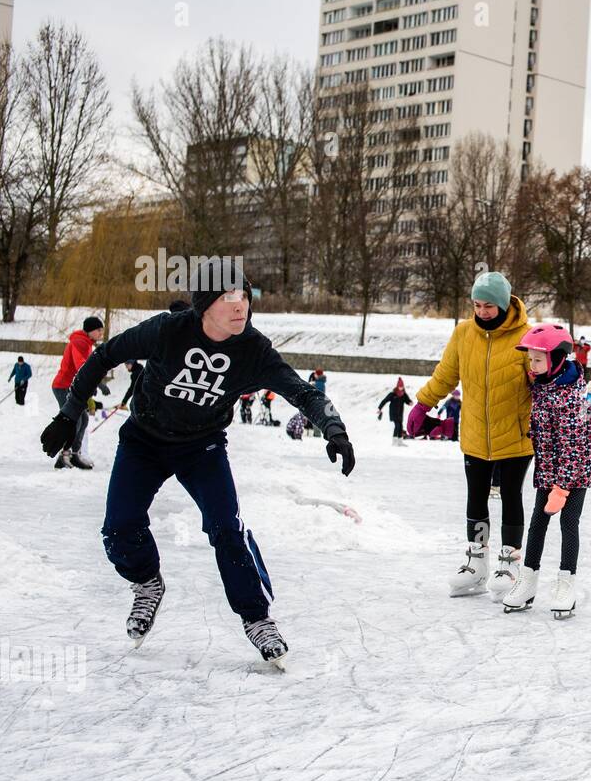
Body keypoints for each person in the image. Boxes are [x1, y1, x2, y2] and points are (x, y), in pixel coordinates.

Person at [37, 270, 355, 667]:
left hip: (201, 447)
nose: (240, 305)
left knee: (227, 528)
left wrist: (334, 429)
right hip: (144, 441)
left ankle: (257, 618)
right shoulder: (168, 331)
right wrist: (69, 414)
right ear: (205, 305)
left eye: (245, 296)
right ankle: (147, 583)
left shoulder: (253, 350)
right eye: (228, 297)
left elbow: (302, 391)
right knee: (119, 527)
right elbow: (104, 356)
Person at [412, 271, 534, 601]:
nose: (481, 312)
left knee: (510, 496)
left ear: (505, 303)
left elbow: (541, 382)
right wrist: (423, 404)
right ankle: (477, 560)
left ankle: (509, 561)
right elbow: (446, 374)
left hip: (516, 436)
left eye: (488, 306)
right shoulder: (463, 334)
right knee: (476, 498)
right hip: (475, 434)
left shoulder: (526, 336)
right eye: (477, 305)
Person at [502, 325, 591, 618]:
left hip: (576, 471)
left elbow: (574, 447)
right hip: (548, 469)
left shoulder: (572, 398)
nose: (531, 367)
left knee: (569, 524)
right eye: (530, 360)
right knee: (537, 524)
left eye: (537, 360)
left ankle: (566, 584)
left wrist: (562, 488)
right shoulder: (544, 387)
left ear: (556, 359)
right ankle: (528, 582)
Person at [50, 316, 104, 469]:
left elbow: (86, 368)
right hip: (63, 386)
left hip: (71, 387)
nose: (101, 333)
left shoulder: (86, 343)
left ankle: (74, 454)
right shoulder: (79, 342)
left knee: (83, 420)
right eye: (99, 330)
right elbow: (82, 365)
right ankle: (64, 456)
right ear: (90, 330)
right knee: (74, 420)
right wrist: (97, 382)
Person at [377, 377, 413, 446]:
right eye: (399, 387)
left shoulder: (403, 394)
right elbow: (384, 401)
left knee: (400, 427)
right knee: (397, 426)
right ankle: (394, 441)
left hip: (400, 413)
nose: (401, 388)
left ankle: (400, 442)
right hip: (393, 413)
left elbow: (407, 400)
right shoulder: (392, 394)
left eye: (402, 387)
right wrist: (379, 408)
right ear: (397, 386)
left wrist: (410, 402)